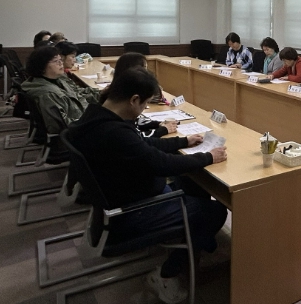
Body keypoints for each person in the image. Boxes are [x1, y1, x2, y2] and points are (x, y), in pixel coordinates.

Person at [67, 67, 228, 304]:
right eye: (144, 104)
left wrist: (183, 141)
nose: (143, 109)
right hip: (132, 212)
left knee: (188, 182)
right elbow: (161, 164)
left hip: (121, 197)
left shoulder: (95, 117)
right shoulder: (114, 132)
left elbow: (143, 147)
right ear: (134, 100)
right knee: (215, 211)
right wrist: (208, 157)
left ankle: (197, 239)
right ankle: (167, 274)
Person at [22, 46, 92, 135]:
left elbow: (78, 97)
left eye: (60, 60)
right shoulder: (48, 93)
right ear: (41, 66)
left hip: (83, 119)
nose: (61, 63)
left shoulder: (58, 80)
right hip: (78, 132)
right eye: (56, 61)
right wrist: (90, 123)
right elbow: (59, 125)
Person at [102, 52, 176, 137]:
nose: (146, 72)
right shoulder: (119, 103)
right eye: (144, 68)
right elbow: (135, 136)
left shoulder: (116, 92)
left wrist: (157, 124)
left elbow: (136, 122)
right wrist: (162, 130)